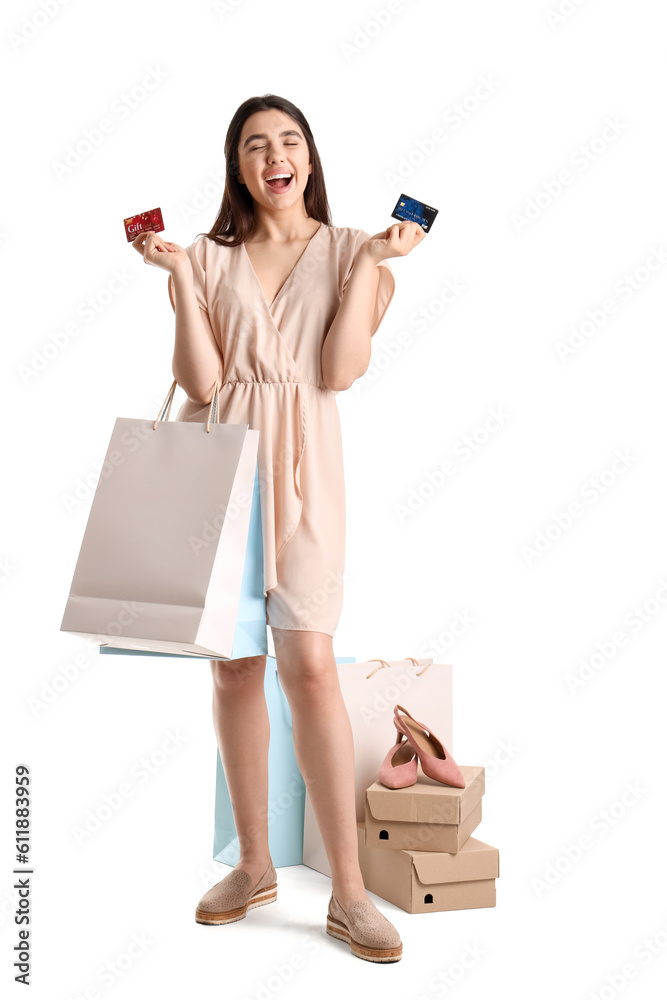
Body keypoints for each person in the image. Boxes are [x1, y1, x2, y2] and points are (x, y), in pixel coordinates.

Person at [132, 93, 424, 963]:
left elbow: (337, 372)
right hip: (221, 466)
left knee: (308, 666)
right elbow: (200, 378)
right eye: (254, 145)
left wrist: (372, 261)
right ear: (237, 167)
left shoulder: (348, 254)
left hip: (307, 473)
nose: (273, 156)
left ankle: (347, 890)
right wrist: (181, 283)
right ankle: (254, 863)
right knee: (233, 670)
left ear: (309, 157)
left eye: (288, 140)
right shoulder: (210, 258)